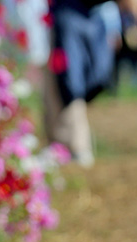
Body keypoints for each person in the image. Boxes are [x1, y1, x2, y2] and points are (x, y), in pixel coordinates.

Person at [43, 0, 117, 167]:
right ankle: (69, 147)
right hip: (72, 17)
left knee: (67, 86)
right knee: (66, 83)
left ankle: (72, 147)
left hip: (77, 17)